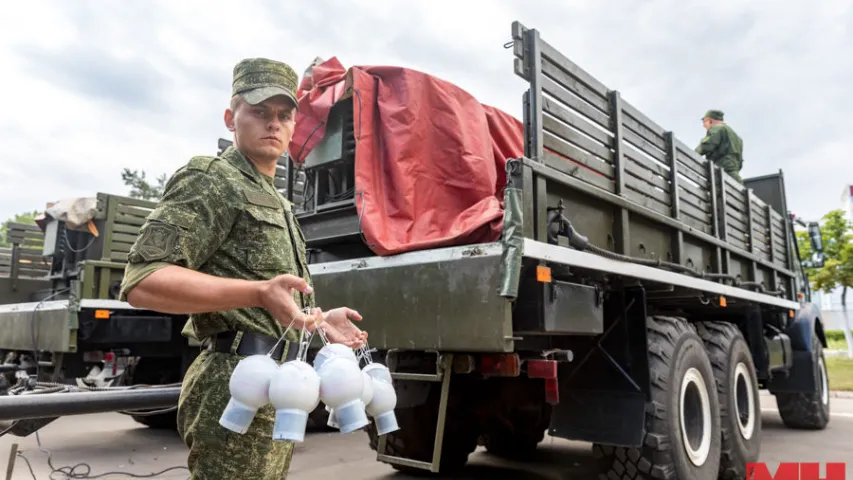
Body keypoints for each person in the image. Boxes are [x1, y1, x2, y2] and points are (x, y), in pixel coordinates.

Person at [119, 57, 367, 480]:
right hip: (233, 384)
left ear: (293, 127)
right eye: (259, 112)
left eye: (284, 116)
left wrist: (322, 323)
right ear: (230, 118)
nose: (273, 124)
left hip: (279, 385)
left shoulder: (280, 202)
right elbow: (144, 281)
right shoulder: (212, 178)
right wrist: (256, 292)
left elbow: (273, 306)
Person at [695, 109, 744, 184]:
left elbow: (707, 145)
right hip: (734, 175)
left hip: (721, 171)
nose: (704, 125)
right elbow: (740, 160)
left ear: (710, 120)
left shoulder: (717, 128)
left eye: (705, 122)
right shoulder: (737, 138)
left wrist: (693, 153)